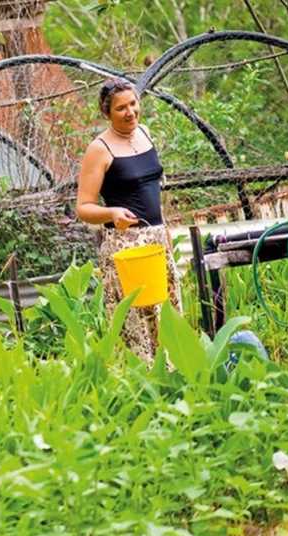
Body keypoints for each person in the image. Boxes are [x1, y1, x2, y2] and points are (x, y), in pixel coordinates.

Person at [76, 77, 182, 363]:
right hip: (126, 246)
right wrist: (111, 213)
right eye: (121, 108)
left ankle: (175, 381)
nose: (131, 112)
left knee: (168, 317)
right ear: (107, 113)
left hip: (157, 240)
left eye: (134, 104)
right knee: (138, 322)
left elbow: (153, 189)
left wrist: (165, 227)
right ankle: (143, 385)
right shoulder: (99, 149)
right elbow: (83, 207)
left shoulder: (145, 134)